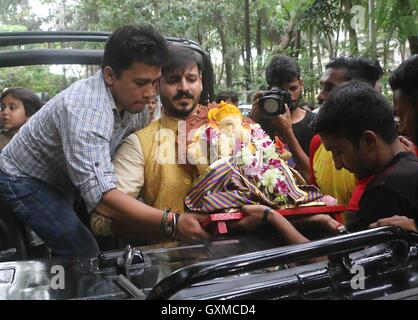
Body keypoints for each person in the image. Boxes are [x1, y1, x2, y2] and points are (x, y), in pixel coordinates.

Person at [0, 25, 207, 257]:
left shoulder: (136, 103)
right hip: (24, 178)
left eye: (155, 82)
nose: (151, 93)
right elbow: (104, 200)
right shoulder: (86, 111)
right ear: (109, 75)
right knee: (82, 250)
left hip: (67, 178)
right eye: (141, 83)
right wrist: (171, 221)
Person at [236, 81, 418, 244]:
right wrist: (320, 220)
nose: (338, 164)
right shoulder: (408, 168)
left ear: (369, 141)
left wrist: (272, 218)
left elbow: (340, 264)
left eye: (339, 152)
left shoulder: (385, 191)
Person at [90, 45, 211, 242]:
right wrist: (169, 226)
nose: (184, 88)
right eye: (172, 80)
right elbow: (101, 221)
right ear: (156, 86)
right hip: (168, 264)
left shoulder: (230, 129)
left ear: (201, 82)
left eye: (191, 79)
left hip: (241, 259)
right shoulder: (139, 143)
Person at [310, 56, 383, 209]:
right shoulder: (318, 143)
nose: (320, 95)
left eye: (329, 87)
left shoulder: (381, 155)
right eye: (322, 86)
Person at [250, 54, 315, 182]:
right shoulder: (261, 122)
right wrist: (251, 123)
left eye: (293, 88)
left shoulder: (314, 123)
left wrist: (288, 132)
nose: (290, 96)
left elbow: (312, 176)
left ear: (301, 84)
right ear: (270, 90)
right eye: (282, 92)